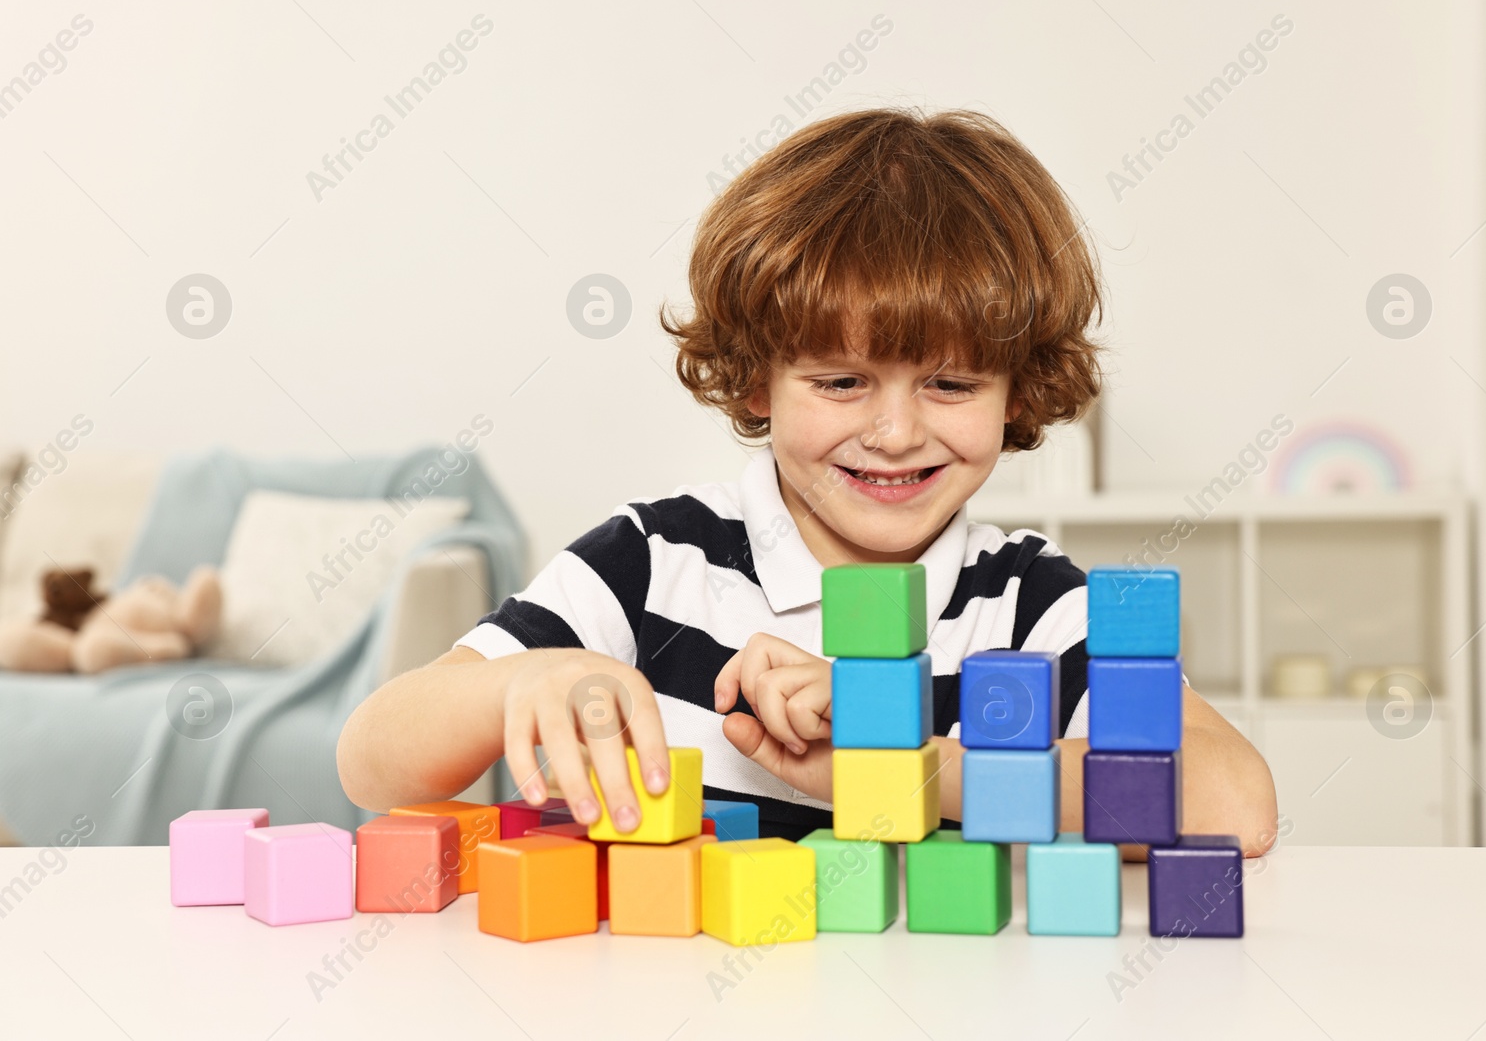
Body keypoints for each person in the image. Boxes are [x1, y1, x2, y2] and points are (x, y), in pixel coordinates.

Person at [337, 106, 1278, 854]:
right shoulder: (656, 562)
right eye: (841, 381)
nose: (897, 431)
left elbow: (1233, 804)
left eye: (951, 383)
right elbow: (372, 761)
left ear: (1016, 392)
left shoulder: (1031, 606)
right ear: (757, 377)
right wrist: (536, 676)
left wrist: (895, 767)